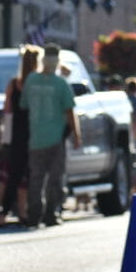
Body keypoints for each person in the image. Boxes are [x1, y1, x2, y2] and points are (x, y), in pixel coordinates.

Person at [21, 43, 81, 227]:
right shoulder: (61, 84)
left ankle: (34, 214)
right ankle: (50, 214)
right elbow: (70, 111)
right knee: (55, 178)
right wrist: (76, 135)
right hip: (55, 138)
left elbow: (24, 106)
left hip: (35, 137)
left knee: (36, 178)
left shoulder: (31, 80)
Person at [0, 45, 40, 226]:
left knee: (13, 175)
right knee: (27, 175)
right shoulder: (37, 84)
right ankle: (22, 212)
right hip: (34, 133)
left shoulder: (13, 83)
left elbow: (7, 110)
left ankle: (6, 213)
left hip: (15, 135)